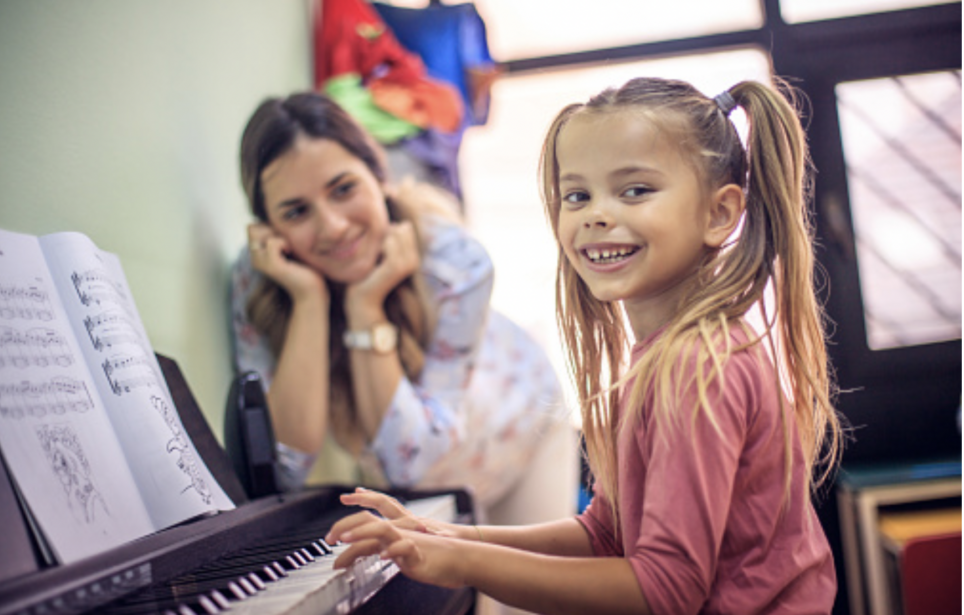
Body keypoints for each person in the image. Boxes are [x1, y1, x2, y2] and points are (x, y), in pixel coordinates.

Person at [325, 76, 845, 614]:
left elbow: (664, 591)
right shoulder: (662, 358)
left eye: (635, 190)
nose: (595, 214)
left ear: (719, 213)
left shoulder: (697, 367)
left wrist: (459, 565)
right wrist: (445, 536)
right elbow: (605, 535)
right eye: (577, 195)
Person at [229, 91, 578, 528]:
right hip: (420, 484)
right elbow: (284, 467)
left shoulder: (454, 262)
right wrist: (309, 301)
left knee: (534, 594)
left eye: (343, 189)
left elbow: (409, 459)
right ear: (269, 229)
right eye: (296, 211)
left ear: (380, 177)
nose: (333, 227)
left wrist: (365, 309)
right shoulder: (259, 280)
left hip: (523, 431)